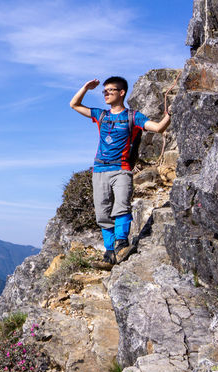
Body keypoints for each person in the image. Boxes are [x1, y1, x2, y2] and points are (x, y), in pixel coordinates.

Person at [70, 76, 170, 265]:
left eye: (110, 90)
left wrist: (169, 115)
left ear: (121, 92)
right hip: (99, 169)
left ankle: (121, 244)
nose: (106, 94)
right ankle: (109, 253)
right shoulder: (101, 115)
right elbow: (74, 104)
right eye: (104, 91)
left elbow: (158, 128)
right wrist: (85, 88)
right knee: (102, 213)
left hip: (122, 168)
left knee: (121, 206)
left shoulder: (133, 116)